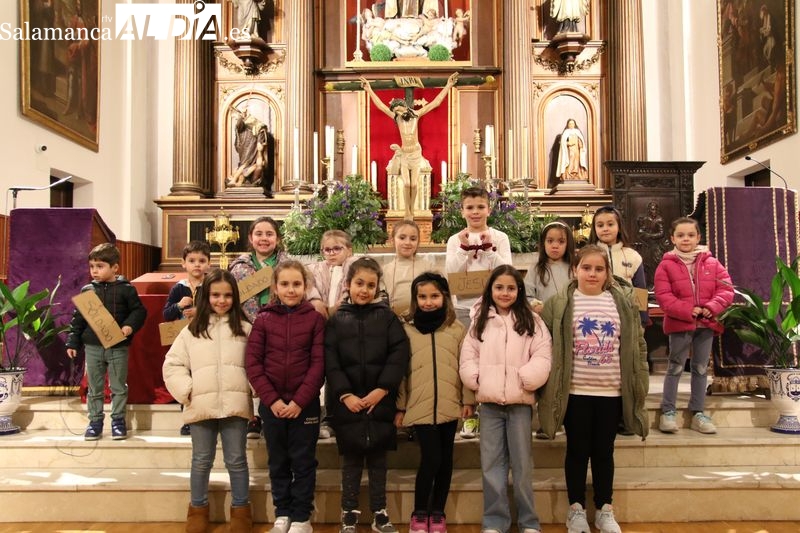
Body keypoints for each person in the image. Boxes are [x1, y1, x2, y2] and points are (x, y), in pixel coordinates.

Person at [538, 245, 649, 533]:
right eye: (586, 268)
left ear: (607, 272)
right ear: (574, 270)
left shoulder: (620, 302)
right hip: (575, 391)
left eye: (599, 269)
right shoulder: (561, 303)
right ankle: (575, 509)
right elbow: (546, 347)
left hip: (610, 392)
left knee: (604, 451)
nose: (592, 273)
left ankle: (604, 509)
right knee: (576, 450)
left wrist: (640, 383)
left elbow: (637, 344)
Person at [459, 265, 552, 533]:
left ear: (519, 291)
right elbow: (468, 355)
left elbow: (543, 355)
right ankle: (495, 521)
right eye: (499, 287)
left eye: (511, 288)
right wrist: (476, 379)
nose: (504, 292)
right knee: (491, 465)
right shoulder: (480, 320)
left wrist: (526, 378)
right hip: (488, 405)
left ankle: (528, 522)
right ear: (490, 289)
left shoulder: (532, 321)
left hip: (519, 404)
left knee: (522, 466)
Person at [162, 269, 254, 533]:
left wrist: (251, 387)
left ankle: (240, 511)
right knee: (201, 460)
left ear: (235, 297)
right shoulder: (192, 330)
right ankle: (198, 510)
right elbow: (173, 363)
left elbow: (257, 364)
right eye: (215, 295)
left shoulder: (245, 329)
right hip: (200, 405)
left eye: (227, 295)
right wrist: (187, 390)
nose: (221, 300)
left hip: (235, 407)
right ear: (206, 296)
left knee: (236, 460)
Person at [325, 257, 410, 533]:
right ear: (348, 284)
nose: (364, 290)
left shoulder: (386, 318)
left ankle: (379, 512)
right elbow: (331, 360)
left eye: (371, 285)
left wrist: (382, 389)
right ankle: (349, 512)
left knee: (378, 460)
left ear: (377, 288)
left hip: (379, 401)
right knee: (350, 461)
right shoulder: (337, 319)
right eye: (359, 283)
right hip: (347, 404)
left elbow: (399, 354)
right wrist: (344, 394)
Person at [246, 261, 326, 533]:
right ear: (275, 288)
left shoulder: (315, 319)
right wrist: (274, 401)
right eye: (284, 284)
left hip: (305, 405)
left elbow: (318, 364)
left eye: (296, 284)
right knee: (278, 459)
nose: (291, 290)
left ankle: (302, 517)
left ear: (305, 287)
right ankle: (282, 513)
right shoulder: (263, 319)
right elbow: (253, 364)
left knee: (303, 461)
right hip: (273, 405)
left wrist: (299, 401)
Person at [230, 217, 326, 439]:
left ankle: (304, 410)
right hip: (252, 321)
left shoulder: (288, 263)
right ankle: (254, 418)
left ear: (278, 238)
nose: (264, 239)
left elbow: (307, 290)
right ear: (250, 239)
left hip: (284, 318)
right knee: (255, 367)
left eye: (269, 234)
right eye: (259, 234)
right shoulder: (240, 265)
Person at [396, 273, 473, 533]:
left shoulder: (456, 329)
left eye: (434, 296)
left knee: (446, 458)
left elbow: (465, 366)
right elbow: (401, 373)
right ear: (415, 299)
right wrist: (400, 406)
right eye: (422, 297)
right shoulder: (406, 328)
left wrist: (468, 400)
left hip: (450, 403)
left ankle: (437, 512)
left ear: (445, 297)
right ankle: (419, 512)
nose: (428, 302)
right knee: (431, 457)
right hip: (419, 403)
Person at [654, 217, 734, 435]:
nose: (686, 239)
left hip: (706, 324)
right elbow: (664, 296)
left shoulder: (712, 262)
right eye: (680, 235)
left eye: (690, 235)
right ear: (672, 238)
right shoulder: (666, 265)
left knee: (699, 368)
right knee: (675, 367)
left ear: (698, 237)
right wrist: (686, 310)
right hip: (680, 324)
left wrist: (712, 306)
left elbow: (726, 289)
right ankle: (668, 411)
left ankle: (698, 412)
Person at [66, 243, 147, 441]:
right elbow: (78, 319)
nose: (95, 270)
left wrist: (128, 326)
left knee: (119, 386)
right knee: (94, 387)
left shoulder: (126, 289)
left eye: (100, 266)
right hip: (93, 347)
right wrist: (72, 342)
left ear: (115, 268)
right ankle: (95, 422)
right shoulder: (87, 290)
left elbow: (139, 311)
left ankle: (118, 421)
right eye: (92, 266)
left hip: (118, 347)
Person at [361, 73, 459, 221]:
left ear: (403, 106)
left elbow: (435, 103)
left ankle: (411, 211)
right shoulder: (397, 118)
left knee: (414, 184)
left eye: (398, 111)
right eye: (395, 113)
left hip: (416, 153)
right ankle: (407, 212)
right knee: (406, 184)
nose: (397, 114)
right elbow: (381, 106)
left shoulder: (417, 115)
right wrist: (369, 89)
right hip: (405, 154)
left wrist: (448, 85)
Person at [163, 240, 212, 436]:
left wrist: (201, 311)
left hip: (205, 338)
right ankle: (188, 418)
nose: (197, 264)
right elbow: (166, 314)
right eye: (192, 260)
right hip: (183, 341)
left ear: (209, 263)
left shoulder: (211, 285)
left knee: (203, 378)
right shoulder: (179, 288)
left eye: (202, 260)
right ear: (183, 263)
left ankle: (206, 416)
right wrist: (178, 306)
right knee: (186, 380)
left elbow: (219, 308)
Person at [383, 221, 437, 316]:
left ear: (418, 242)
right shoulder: (385, 270)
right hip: (393, 320)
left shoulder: (428, 268)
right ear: (392, 240)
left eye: (413, 239)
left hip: (422, 320)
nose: (407, 243)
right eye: (402, 238)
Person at [524, 220, 576, 314]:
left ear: (568, 244)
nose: (555, 246)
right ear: (543, 243)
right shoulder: (536, 268)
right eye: (550, 241)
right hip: (544, 318)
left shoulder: (574, 267)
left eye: (561, 241)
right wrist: (535, 306)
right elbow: (527, 296)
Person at [228, 107, 270, 194]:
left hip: (252, 147)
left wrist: (259, 142)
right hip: (244, 147)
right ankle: (237, 181)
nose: (234, 118)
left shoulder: (253, 123)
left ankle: (236, 180)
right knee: (243, 164)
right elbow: (239, 125)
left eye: (235, 116)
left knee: (246, 163)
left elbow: (261, 129)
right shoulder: (241, 127)